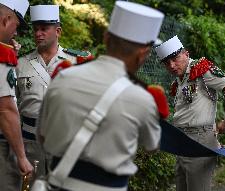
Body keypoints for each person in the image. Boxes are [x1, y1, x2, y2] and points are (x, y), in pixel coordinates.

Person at [37, 1, 164, 191]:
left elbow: (42, 134)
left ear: (105, 38)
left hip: (57, 184)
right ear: (143, 53)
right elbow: (152, 146)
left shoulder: (63, 77)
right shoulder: (143, 99)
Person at [155, 35, 225, 191]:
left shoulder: (202, 70)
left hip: (199, 140)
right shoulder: (179, 81)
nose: (172, 65)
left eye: (175, 58)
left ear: (186, 54)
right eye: (167, 63)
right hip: (182, 140)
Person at [16, 4, 92, 182]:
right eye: (36, 29)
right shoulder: (20, 63)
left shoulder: (76, 62)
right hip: (29, 143)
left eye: (44, 29)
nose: (38, 33)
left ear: (58, 31)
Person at [0, 0, 34, 190]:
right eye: (16, 26)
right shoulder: (2, 55)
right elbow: (5, 109)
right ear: (6, 19)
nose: (16, 33)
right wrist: (22, 157)